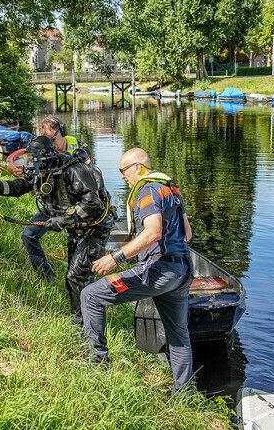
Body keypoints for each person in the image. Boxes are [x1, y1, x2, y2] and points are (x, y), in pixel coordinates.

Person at [81, 147, 194, 393]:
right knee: (178, 334)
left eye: (123, 171)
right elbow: (187, 234)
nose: (122, 176)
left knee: (90, 295)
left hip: (158, 272)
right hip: (183, 271)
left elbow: (153, 232)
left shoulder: (146, 190)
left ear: (138, 168)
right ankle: (183, 394)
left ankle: (96, 367)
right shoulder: (171, 188)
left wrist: (116, 257)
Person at [0, 135, 114, 321]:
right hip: (75, 227)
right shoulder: (40, 172)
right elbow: (17, 187)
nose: (30, 162)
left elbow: (92, 203)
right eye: (29, 157)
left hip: (95, 226)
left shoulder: (73, 170)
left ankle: (84, 325)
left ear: (47, 155)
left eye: (34, 157)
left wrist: (62, 219)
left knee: (76, 277)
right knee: (76, 276)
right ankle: (85, 318)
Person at [20, 115, 88, 281]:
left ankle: (77, 280)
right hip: (54, 204)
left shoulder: (78, 148)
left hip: (78, 206)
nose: (51, 144)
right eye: (46, 140)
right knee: (28, 234)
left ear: (62, 132)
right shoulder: (43, 150)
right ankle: (46, 276)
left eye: (52, 138)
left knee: (77, 243)